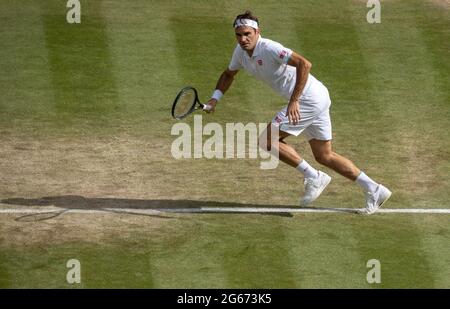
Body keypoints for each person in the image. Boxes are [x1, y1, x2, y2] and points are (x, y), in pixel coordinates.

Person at [203, 10, 391, 214]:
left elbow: (304, 64)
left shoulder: (269, 48)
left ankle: (313, 176)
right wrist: (215, 99)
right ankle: (375, 189)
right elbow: (228, 74)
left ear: (257, 32)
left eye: (247, 33)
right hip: (317, 97)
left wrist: (294, 101)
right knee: (324, 155)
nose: (243, 39)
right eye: (239, 35)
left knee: (267, 140)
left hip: (308, 99)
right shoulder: (240, 52)